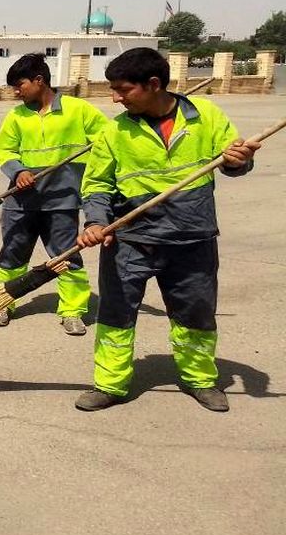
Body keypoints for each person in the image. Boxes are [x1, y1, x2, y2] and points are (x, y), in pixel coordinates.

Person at [74, 47, 259, 412]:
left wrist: (241, 161)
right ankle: (110, 384)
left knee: (196, 314)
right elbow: (96, 185)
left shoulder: (204, 116)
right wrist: (96, 221)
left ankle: (200, 380)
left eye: (123, 89)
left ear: (153, 84)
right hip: (130, 241)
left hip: (192, 239)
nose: (115, 97)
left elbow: (233, 161)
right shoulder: (115, 131)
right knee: (116, 315)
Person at [0, 53, 109, 335]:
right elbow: (3, 151)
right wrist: (18, 171)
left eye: (20, 85)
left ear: (39, 80)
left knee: (67, 255)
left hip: (63, 201)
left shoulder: (78, 110)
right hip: (22, 202)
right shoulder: (16, 116)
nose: (16, 92)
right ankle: (3, 302)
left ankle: (73, 310)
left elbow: (108, 139)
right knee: (12, 255)